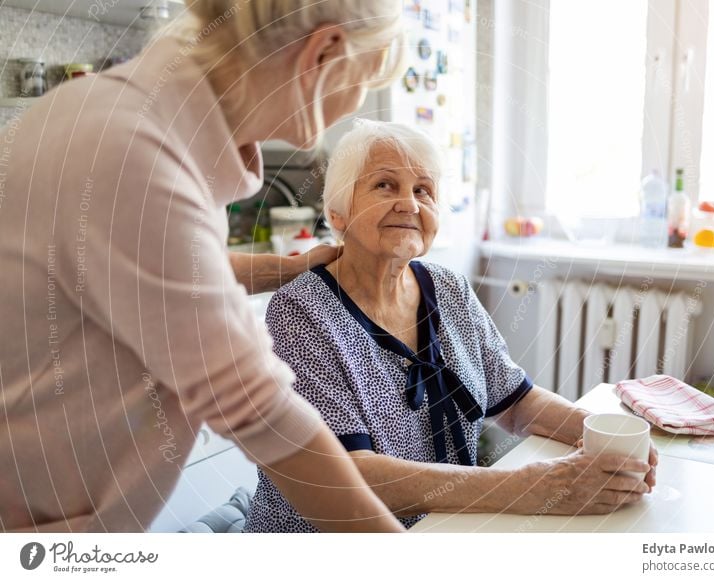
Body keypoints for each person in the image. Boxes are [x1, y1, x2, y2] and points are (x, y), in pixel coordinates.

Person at [0, 1, 408, 532]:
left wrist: (291, 267)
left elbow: (175, 271)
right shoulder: (134, 155)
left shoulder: (132, 118)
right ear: (324, 54)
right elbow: (259, 410)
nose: (356, 102)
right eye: (366, 79)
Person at [244, 120, 658, 532]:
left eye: (423, 190)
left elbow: (516, 400)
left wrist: (606, 438)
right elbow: (349, 476)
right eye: (385, 185)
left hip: (441, 528)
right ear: (338, 213)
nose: (410, 204)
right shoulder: (301, 313)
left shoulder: (448, 288)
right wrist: (528, 487)